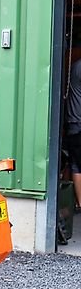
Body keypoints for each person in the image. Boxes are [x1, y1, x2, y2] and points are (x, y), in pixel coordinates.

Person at [66, 59, 81, 209]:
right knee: (77, 165)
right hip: (78, 124)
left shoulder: (76, 65)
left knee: (76, 165)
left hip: (74, 124)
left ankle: (79, 202)